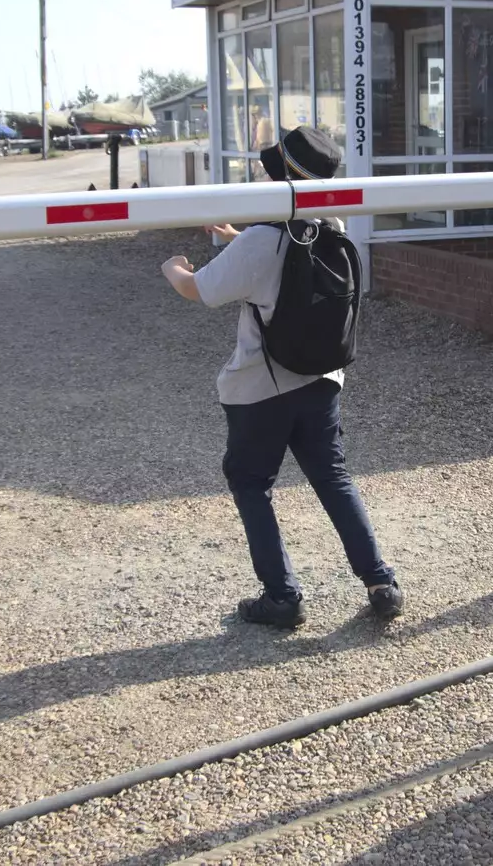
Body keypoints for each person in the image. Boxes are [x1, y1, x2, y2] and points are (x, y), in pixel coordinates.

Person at [159, 126, 403, 629]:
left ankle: (281, 597)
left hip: (261, 388)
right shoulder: (331, 224)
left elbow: (198, 290)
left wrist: (173, 268)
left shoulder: (259, 242)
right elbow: (279, 257)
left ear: (282, 179)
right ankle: (381, 583)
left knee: (251, 482)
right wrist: (236, 241)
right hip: (322, 378)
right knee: (333, 478)